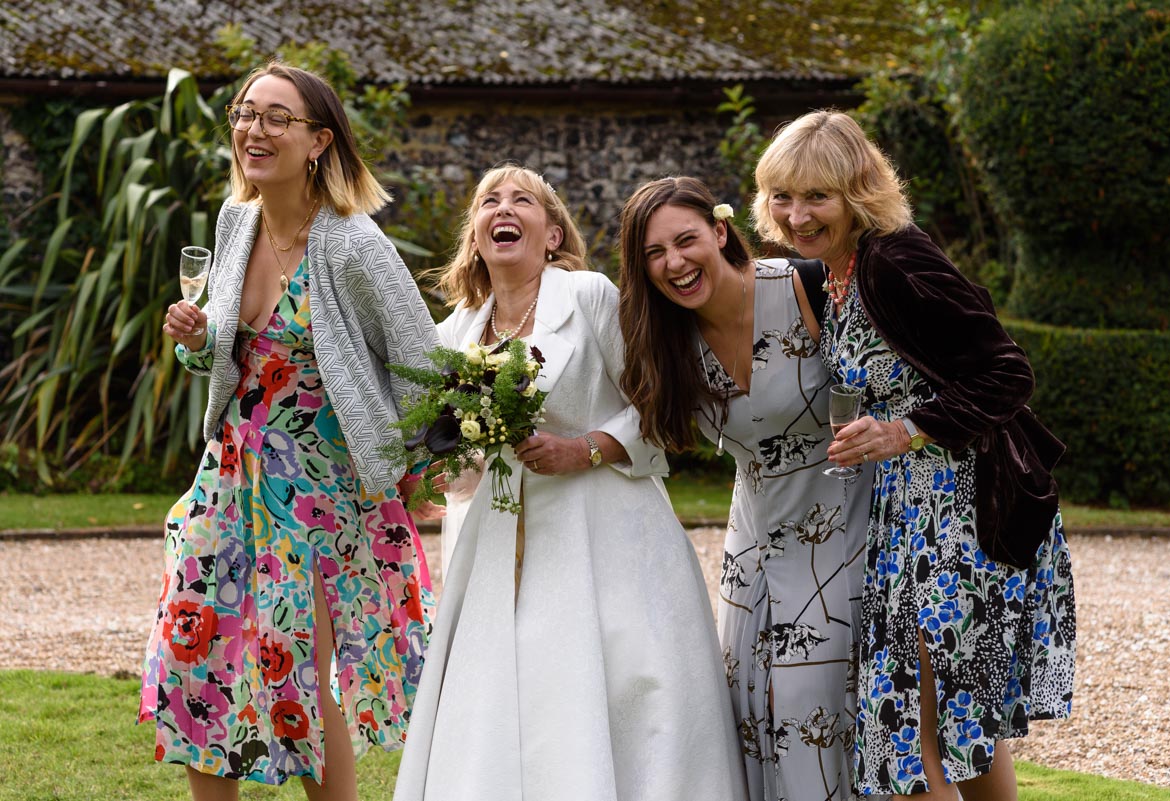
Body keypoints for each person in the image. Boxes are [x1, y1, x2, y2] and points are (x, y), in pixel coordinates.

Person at [392, 164, 748, 801]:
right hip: (498, 547)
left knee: (624, 690)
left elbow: (657, 401)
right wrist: (432, 470)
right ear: (476, 235)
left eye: (522, 200)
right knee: (507, 695)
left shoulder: (587, 298)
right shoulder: (453, 332)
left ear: (552, 234)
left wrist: (584, 447)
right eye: (489, 201)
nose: (504, 208)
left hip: (610, 535)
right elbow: (460, 469)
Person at [753, 110, 1077, 799]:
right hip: (908, 516)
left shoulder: (894, 258)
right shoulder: (834, 271)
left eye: (818, 196)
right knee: (957, 728)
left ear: (857, 194)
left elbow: (1009, 371)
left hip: (959, 518)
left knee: (908, 729)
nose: (797, 213)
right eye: (783, 194)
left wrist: (907, 429)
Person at [141, 62, 441, 800]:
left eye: (278, 117)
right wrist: (195, 336)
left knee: (296, 665)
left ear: (318, 141)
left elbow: (425, 362)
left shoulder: (354, 245)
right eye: (247, 113)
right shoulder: (235, 222)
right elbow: (229, 351)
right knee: (196, 652)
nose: (255, 129)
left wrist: (412, 470)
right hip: (228, 477)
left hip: (319, 495)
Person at [616, 176, 872, 801]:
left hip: (844, 528)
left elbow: (885, 377)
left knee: (822, 709)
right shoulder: (664, 340)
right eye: (655, 253)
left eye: (686, 240)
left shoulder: (805, 287)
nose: (675, 263)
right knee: (750, 711)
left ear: (721, 231)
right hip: (751, 548)